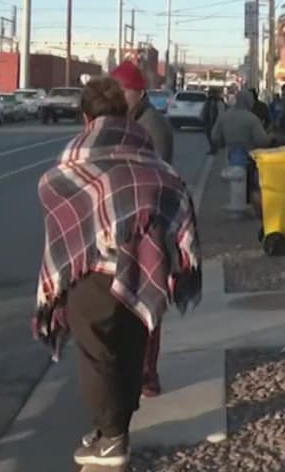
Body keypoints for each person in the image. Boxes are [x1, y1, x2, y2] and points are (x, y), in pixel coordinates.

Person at [34, 77, 201, 469]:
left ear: (85, 115)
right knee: (130, 351)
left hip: (92, 273)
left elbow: (50, 192)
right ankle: (114, 429)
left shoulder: (73, 161)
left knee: (97, 354)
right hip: (145, 269)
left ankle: (112, 440)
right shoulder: (152, 161)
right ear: (125, 113)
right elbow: (178, 200)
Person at [108, 61, 175, 397]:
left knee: (147, 299)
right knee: (123, 302)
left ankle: (147, 374)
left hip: (149, 226)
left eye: (124, 92)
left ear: (139, 92)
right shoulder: (125, 123)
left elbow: (157, 177)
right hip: (123, 226)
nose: (119, 98)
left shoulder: (152, 126)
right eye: (115, 92)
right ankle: (130, 370)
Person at [212, 90, 273, 216]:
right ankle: (258, 212)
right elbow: (262, 140)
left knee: (236, 184)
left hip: (230, 155)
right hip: (250, 156)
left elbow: (215, 136)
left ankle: (237, 208)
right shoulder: (251, 119)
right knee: (253, 186)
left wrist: (223, 143)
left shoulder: (225, 116)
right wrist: (271, 137)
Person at [200, 89, 223, 155]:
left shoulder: (219, 101)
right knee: (209, 136)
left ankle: (215, 149)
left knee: (214, 136)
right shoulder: (208, 101)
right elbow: (204, 110)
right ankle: (213, 149)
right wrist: (202, 117)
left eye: (212, 93)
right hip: (208, 121)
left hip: (215, 122)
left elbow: (221, 113)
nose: (210, 95)